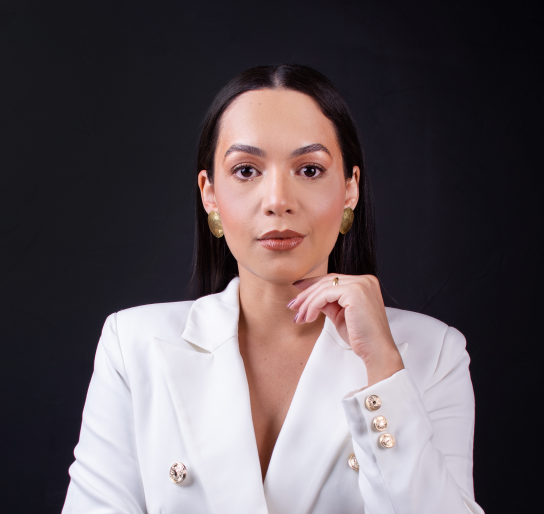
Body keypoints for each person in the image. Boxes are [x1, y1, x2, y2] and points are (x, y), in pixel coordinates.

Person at [62, 64, 484, 514]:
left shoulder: (432, 354)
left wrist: (383, 369)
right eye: (246, 170)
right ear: (209, 194)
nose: (278, 200)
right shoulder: (133, 345)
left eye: (309, 169)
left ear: (350, 189)